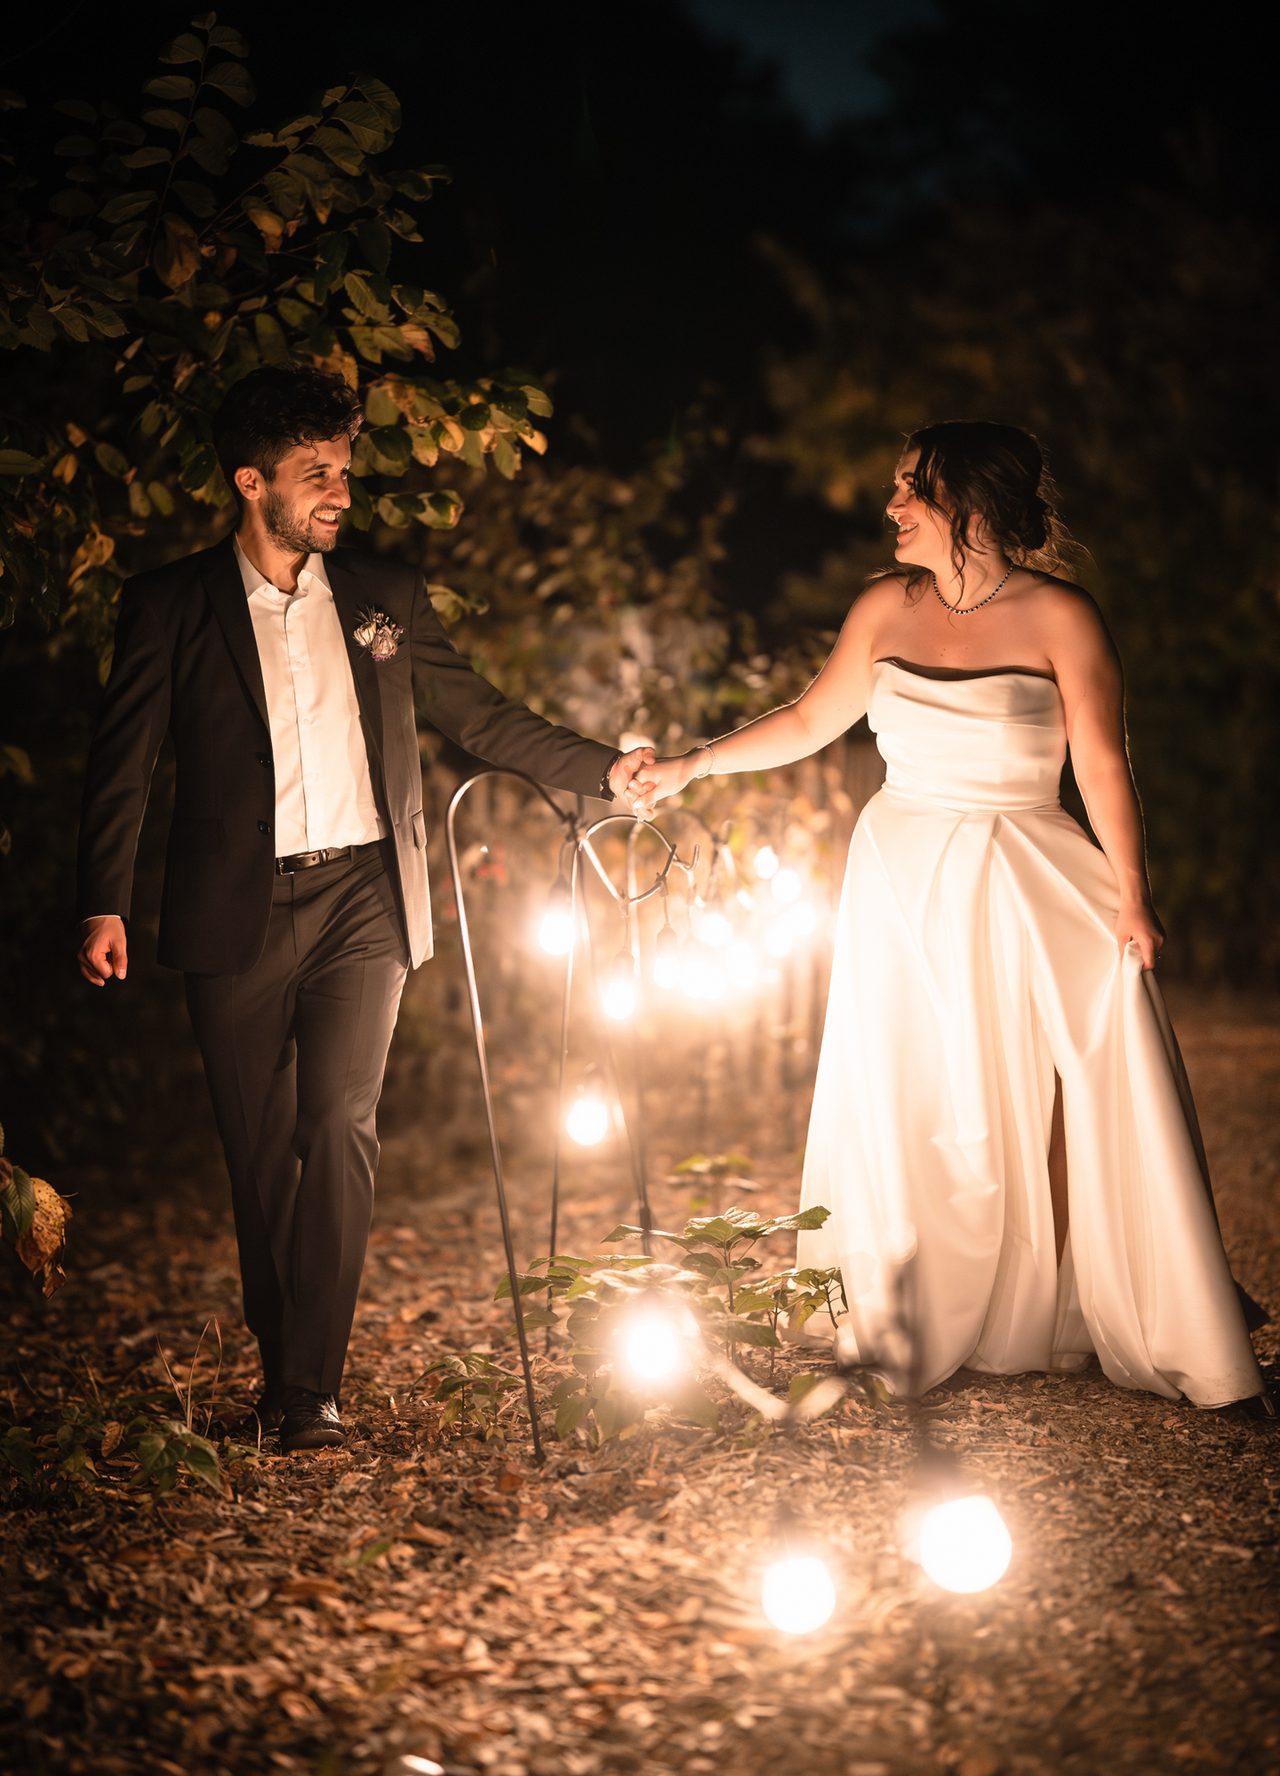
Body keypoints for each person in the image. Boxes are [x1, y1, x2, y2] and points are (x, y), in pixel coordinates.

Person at [77, 365, 656, 1454]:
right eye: (316, 474)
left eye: (345, 469)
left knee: (341, 1127)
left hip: (364, 899)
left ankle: (309, 1393)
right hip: (233, 910)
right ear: (254, 483)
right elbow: (125, 764)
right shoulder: (169, 606)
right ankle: (280, 1356)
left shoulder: (384, 597)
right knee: (260, 1156)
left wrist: (602, 771)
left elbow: (477, 715)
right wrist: (99, 902)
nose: (340, 491)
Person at [637, 420, 1270, 1412]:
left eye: (909, 492)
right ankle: (916, 1303)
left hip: (1031, 869)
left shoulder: (1061, 616)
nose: (890, 508)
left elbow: (1101, 765)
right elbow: (809, 721)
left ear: (965, 507)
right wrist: (688, 766)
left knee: (1077, 1076)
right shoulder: (882, 609)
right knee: (917, 1082)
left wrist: (1133, 895)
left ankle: (1116, 1298)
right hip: (904, 874)